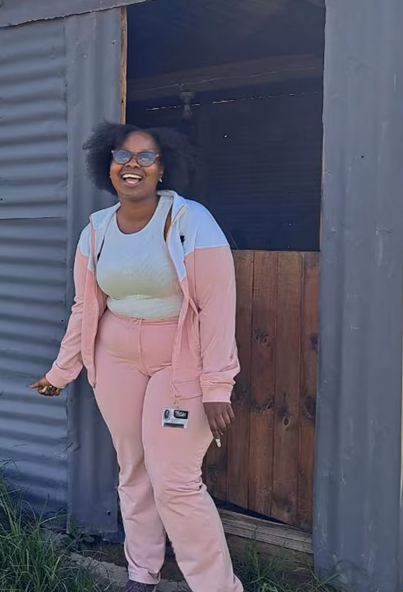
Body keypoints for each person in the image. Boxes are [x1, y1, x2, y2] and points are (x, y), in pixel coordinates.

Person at [31, 122, 243, 592]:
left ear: (162, 167)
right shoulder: (97, 231)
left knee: (176, 481)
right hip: (116, 361)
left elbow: (217, 304)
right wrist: (62, 371)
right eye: (122, 156)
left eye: (146, 157)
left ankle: (217, 586)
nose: (133, 165)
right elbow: (86, 307)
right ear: (107, 166)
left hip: (179, 363)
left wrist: (217, 386)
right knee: (135, 470)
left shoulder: (191, 221)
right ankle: (141, 574)